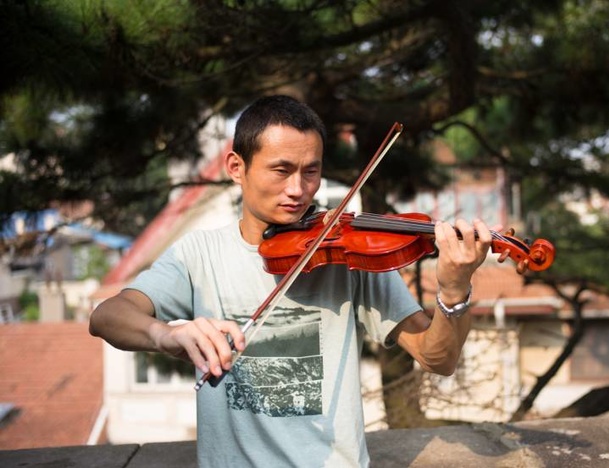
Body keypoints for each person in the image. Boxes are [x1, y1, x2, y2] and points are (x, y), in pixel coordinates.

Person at [89, 94, 494, 467]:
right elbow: (107, 316)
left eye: (310, 172)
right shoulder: (200, 253)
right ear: (236, 168)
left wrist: (454, 290)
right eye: (281, 171)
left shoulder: (349, 251)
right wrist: (165, 335)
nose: (298, 190)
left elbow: (438, 359)